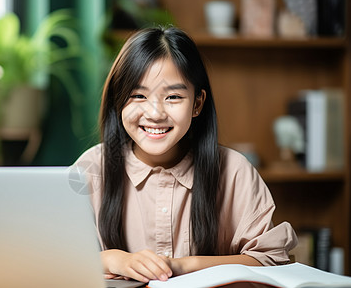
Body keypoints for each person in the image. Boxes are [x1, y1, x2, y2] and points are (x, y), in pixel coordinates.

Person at [72, 26, 297, 283]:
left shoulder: (234, 171)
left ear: (197, 104)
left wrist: (182, 265)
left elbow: (270, 260)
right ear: (118, 100)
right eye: (138, 95)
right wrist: (113, 259)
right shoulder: (89, 170)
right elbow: (51, 255)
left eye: (173, 96)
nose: (155, 113)